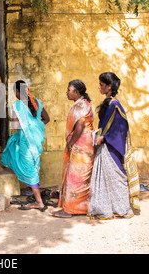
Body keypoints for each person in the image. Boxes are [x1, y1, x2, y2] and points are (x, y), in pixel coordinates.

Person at [88, 72, 140, 219]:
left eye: (101, 85)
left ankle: (122, 208)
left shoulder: (115, 105)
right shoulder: (109, 103)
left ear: (109, 86)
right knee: (106, 178)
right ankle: (108, 207)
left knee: (116, 177)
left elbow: (121, 127)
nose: (99, 87)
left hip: (112, 146)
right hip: (104, 144)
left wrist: (104, 137)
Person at [1, 80, 50, 210]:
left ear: (17, 92)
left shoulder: (17, 105)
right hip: (37, 140)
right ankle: (32, 188)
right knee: (33, 164)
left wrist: (29, 128)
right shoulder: (37, 102)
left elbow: (15, 125)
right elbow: (47, 119)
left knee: (28, 167)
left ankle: (39, 202)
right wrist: (36, 127)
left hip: (26, 141)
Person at [51, 80, 95, 218]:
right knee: (81, 178)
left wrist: (71, 144)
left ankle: (69, 209)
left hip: (81, 145)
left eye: (69, 90)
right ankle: (80, 207)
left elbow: (80, 127)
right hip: (85, 144)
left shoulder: (81, 105)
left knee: (74, 177)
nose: (67, 92)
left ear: (77, 92)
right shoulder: (83, 104)